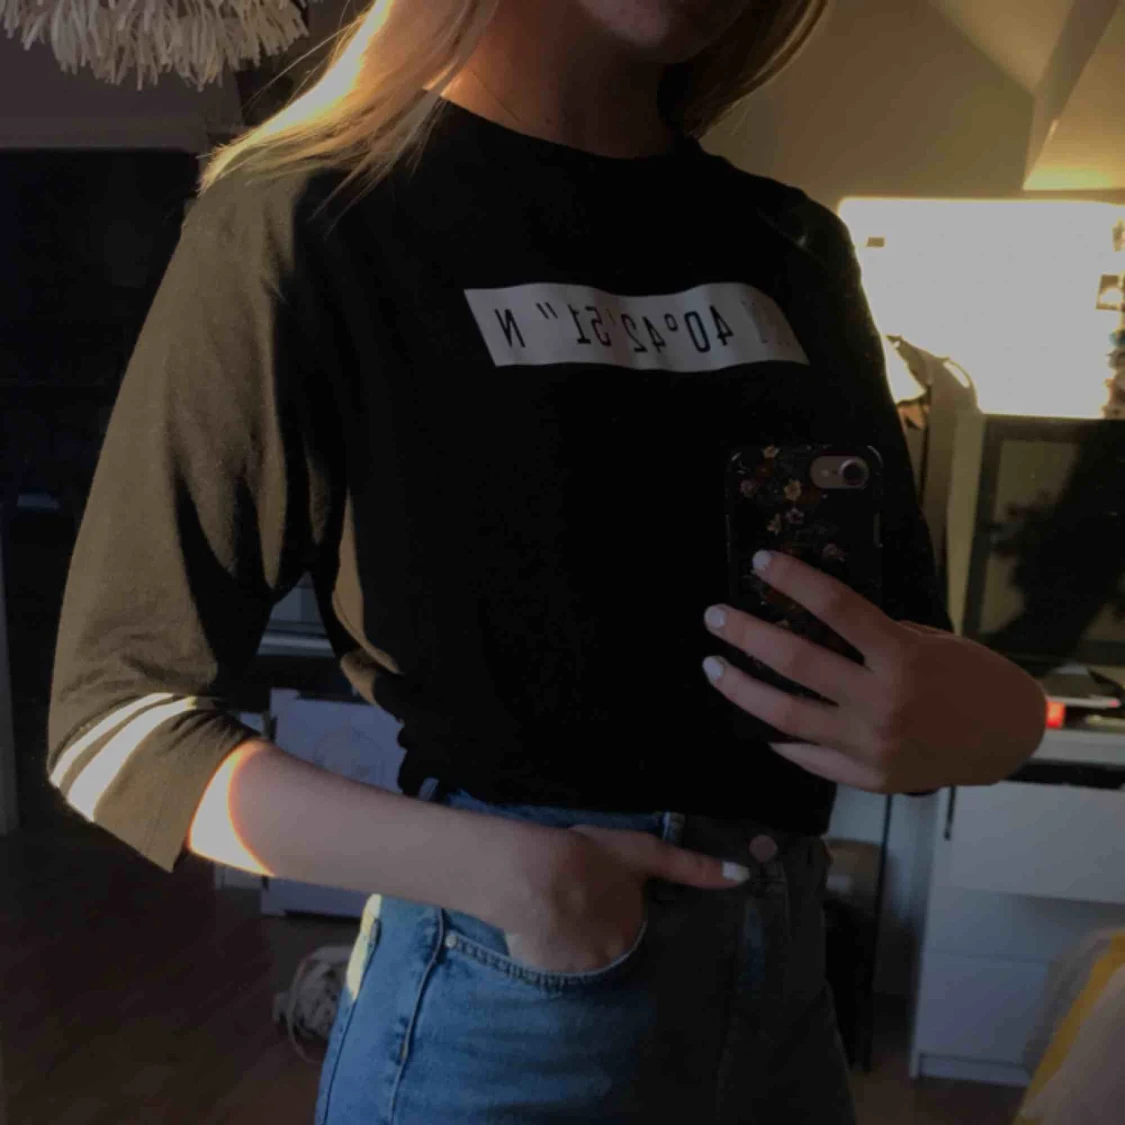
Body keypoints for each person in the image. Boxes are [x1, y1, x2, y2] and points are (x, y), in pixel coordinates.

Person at [46, 0, 1048, 1121]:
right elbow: (114, 722)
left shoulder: (791, 246)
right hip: (512, 1011)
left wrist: (997, 716)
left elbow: (905, 662)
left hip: (780, 1005)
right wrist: (519, 879)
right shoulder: (307, 216)